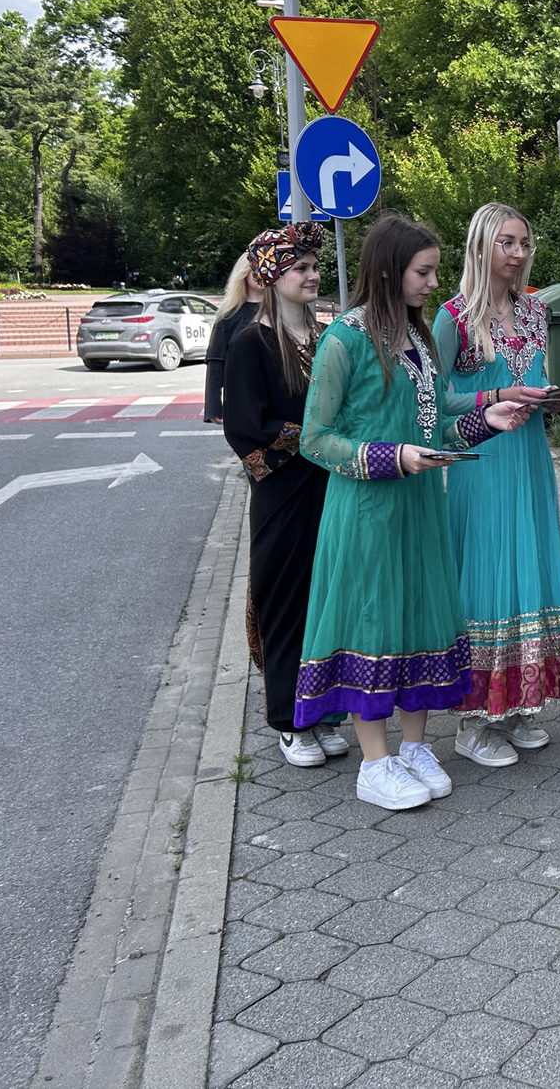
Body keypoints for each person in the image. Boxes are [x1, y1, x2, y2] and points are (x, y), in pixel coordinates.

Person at [296, 213, 533, 811]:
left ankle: (414, 748)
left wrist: (488, 419)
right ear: (386, 270)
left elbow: (435, 427)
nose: (434, 282)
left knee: (422, 618)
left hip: (422, 507)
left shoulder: (420, 338)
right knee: (374, 623)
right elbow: (316, 439)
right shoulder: (344, 340)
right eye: (423, 272)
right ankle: (374, 764)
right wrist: (390, 456)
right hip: (368, 510)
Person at [433, 202, 560, 768]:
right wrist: (496, 398)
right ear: (482, 246)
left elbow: (537, 377)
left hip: (529, 456)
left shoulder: (535, 310)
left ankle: (517, 707)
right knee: (489, 574)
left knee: (530, 570)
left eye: (524, 243)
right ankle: (473, 723)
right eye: (507, 243)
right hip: (483, 460)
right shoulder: (452, 317)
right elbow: (435, 398)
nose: (518, 254)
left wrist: (547, 396)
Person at [221, 223, 348, 766]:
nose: (313, 274)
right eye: (300, 267)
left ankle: (323, 710)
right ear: (272, 275)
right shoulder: (251, 340)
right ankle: (288, 720)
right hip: (283, 488)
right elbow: (244, 424)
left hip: (333, 483)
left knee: (327, 596)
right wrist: (311, 440)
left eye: (316, 266)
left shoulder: (327, 338)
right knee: (285, 599)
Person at [204, 255, 263, 424]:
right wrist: (213, 405)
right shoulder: (228, 315)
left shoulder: (284, 310)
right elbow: (215, 359)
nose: (261, 274)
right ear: (243, 273)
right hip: (241, 401)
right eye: (255, 268)